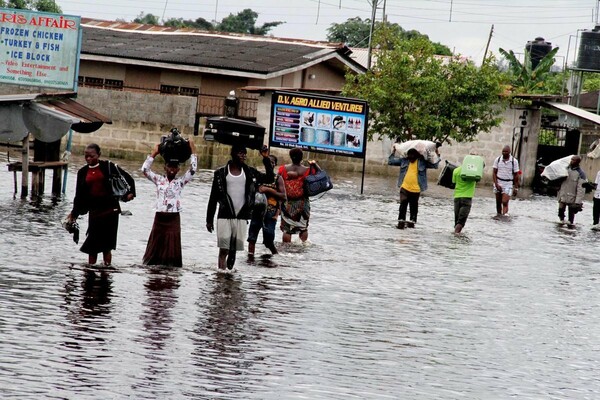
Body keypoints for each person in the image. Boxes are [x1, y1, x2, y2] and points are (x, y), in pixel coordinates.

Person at [66, 143, 136, 266]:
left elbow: (128, 178)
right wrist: (74, 213)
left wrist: (131, 193)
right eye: (86, 156)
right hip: (95, 211)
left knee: (107, 245)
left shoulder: (108, 167)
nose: (88, 159)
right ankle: (90, 269)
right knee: (92, 244)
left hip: (110, 210)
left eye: (91, 156)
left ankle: (106, 269)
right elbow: (79, 196)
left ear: (98, 155)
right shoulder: (82, 172)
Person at [206, 144, 273, 270]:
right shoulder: (220, 173)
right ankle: (221, 274)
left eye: (245, 153)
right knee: (224, 248)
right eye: (241, 153)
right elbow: (213, 198)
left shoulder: (249, 172)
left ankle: (229, 276)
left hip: (242, 216)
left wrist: (265, 158)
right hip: (224, 215)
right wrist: (209, 220)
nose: (244, 156)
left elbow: (269, 178)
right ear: (233, 155)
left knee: (234, 250)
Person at [141, 140, 197, 267]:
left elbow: (193, 169)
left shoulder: (180, 182)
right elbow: (145, 169)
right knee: (157, 242)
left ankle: (171, 266)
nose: (172, 170)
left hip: (173, 217)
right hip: (160, 217)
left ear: (178, 169)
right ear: (165, 167)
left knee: (172, 244)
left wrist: (193, 150)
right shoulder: (159, 180)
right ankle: (153, 265)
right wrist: (154, 153)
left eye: (174, 167)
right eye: (169, 167)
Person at [278, 147, 320, 242]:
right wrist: (314, 164)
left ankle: (286, 249)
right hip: (303, 203)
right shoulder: (308, 170)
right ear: (302, 158)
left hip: (287, 203)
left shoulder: (282, 170)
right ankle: (303, 247)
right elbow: (320, 175)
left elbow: (277, 183)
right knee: (303, 227)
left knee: (287, 229)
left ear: (290, 157)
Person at [248, 154, 286, 256]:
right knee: (252, 238)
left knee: (269, 239)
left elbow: (283, 196)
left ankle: (275, 255)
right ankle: (250, 257)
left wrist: (268, 190)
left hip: (271, 211)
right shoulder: (260, 177)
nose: (270, 164)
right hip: (257, 210)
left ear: (275, 164)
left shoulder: (278, 179)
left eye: (272, 163)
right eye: (268, 162)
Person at [396, 147, 440, 229]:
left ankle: (412, 221)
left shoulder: (422, 162)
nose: (411, 157)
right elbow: (391, 161)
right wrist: (394, 150)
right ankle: (401, 220)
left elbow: (435, 165)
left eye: (412, 155)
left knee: (414, 206)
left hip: (416, 189)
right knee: (403, 202)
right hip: (404, 187)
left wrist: (437, 153)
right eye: (409, 155)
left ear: (416, 156)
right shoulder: (404, 161)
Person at [557, 155, 586, 228]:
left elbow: (581, 188)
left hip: (572, 196)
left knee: (571, 212)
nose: (571, 161)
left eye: (574, 160)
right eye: (571, 159)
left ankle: (570, 224)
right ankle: (561, 220)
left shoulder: (581, 173)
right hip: (563, 194)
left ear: (578, 162)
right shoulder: (565, 169)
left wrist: (578, 201)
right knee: (561, 209)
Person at [492, 145, 520, 217]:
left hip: (508, 183)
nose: (504, 153)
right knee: (498, 202)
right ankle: (499, 216)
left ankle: (505, 216)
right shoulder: (498, 160)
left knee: (504, 201)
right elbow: (494, 173)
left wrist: (516, 188)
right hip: (498, 182)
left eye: (506, 151)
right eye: (503, 151)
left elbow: (516, 175)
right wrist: (496, 184)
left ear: (509, 152)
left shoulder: (514, 161)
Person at [452, 164, 478, 234]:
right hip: (467, 198)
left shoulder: (456, 170)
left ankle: (455, 237)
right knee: (461, 221)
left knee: (457, 220)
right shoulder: (474, 172)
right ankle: (456, 236)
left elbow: (453, 182)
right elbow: (478, 179)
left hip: (457, 197)